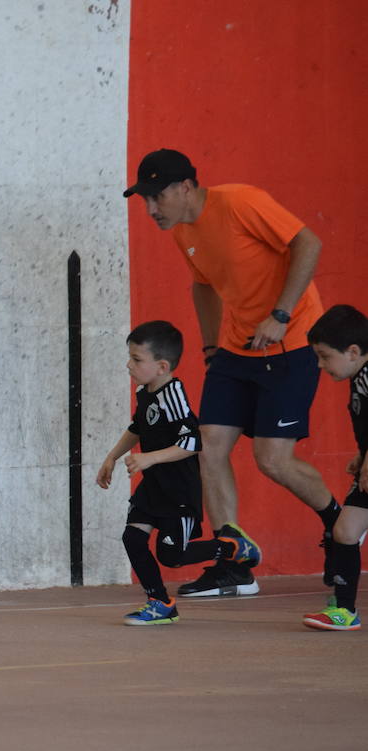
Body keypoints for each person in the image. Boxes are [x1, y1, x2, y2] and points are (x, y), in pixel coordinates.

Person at [125, 148, 337, 598]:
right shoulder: (184, 232)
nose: (150, 209)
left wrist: (280, 314)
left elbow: (308, 243)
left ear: (185, 188)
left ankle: (341, 523)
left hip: (291, 339)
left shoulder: (241, 202)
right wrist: (209, 346)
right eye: (144, 200)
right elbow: (203, 284)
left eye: (156, 197)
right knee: (210, 448)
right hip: (236, 350)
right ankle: (234, 564)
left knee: (271, 459)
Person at [98, 321, 260, 625]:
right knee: (133, 539)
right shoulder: (145, 391)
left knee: (171, 556)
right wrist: (111, 457)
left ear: (161, 366)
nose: (128, 364)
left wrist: (149, 459)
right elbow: (137, 427)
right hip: (154, 485)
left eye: (136, 359)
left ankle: (231, 546)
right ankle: (160, 602)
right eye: (129, 357)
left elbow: (192, 442)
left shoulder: (173, 395)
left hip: (179, 490)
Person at [305, 304, 368, 631]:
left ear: (353, 351)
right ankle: (344, 610)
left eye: (325, 356)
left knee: (346, 530)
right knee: (344, 531)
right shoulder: (359, 377)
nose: (320, 364)